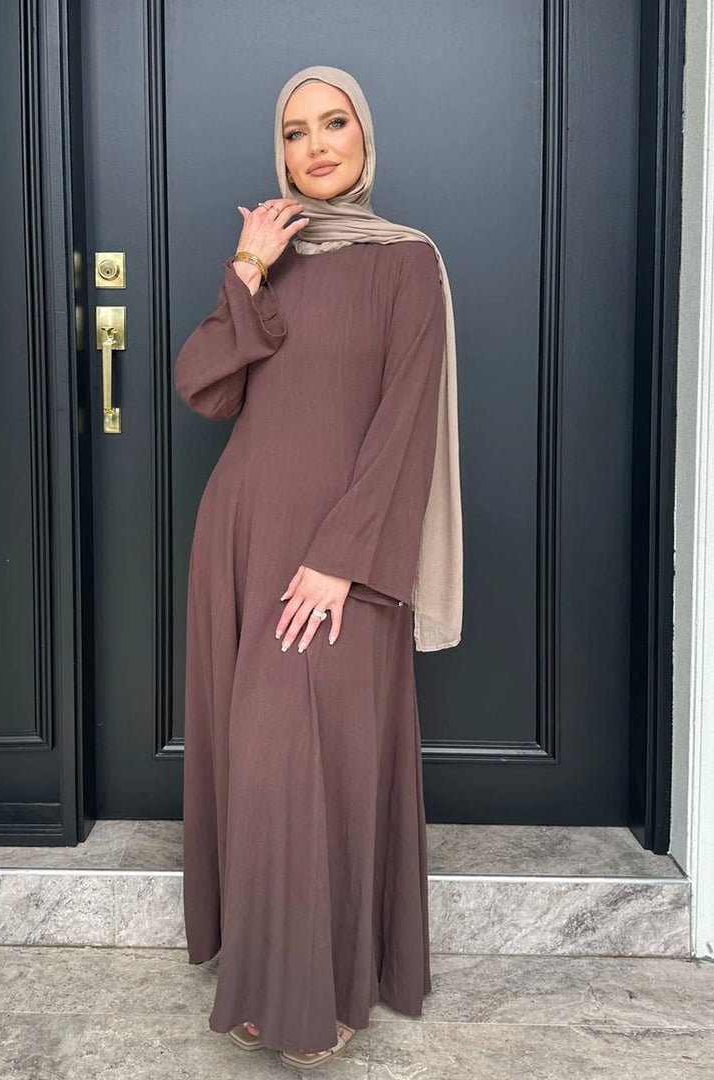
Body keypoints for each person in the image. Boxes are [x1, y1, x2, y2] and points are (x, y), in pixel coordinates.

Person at [175, 65, 464, 1069]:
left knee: (324, 765)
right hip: (244, 543)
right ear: (281, 154)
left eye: (333, 123)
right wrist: (246, 270)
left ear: (364, 135)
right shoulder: (272, 256)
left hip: (343, 554)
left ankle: (328, 987)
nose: (316, 145)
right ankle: (264, 974)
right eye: (295, 133)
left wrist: (341, 561)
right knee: (259, 764)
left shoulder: (407, 261)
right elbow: (203, 388)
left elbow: (406, 422)